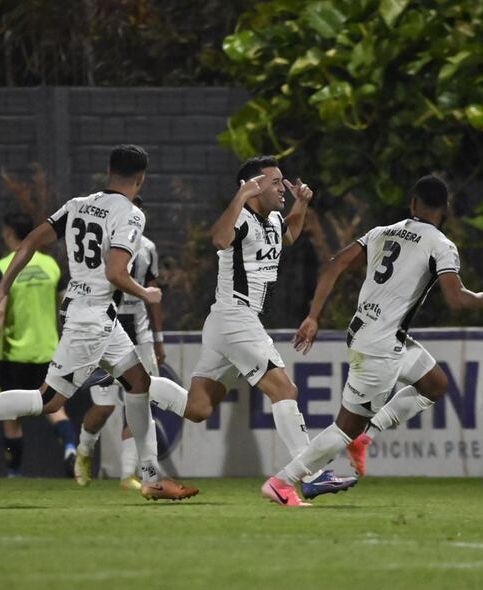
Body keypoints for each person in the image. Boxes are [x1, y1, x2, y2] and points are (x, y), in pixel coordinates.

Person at [0, 144, 198, 501]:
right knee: (48, 401)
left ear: (109, 171)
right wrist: (146, 293)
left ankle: (150, 476)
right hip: (92, 318)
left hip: (87, 311)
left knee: (139, 382)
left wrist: (3, 285)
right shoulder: (130, 213)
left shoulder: (78, 204)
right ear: (141, 179)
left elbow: (33, 240)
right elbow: (115, 271)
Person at [262, 174, 483, 506]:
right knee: (345, 427)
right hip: (379, 347)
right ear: (446, 209)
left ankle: (365, 437)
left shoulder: (382, 232)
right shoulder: (440, 245)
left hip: (377, 334)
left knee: (435, 384)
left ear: (412, 203)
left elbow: (335, 265)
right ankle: (283, 481)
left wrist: (314, 316)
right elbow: (457, 299)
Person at [148, 155, 357, 499]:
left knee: (198, 409)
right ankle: (310, 474)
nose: (283, 188)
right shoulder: (241, 217)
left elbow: (289, 234)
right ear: (254, 186)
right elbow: (218, 239)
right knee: (285, 391)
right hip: (235, 318)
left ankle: (129, 380)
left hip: (225, 324)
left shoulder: (273, 219)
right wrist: (241, 195)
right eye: (275, 182)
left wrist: (302, 205)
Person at [73, 196, 163, 490]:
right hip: (105, 327)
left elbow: (153, 294)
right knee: (104, 406)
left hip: (139, 331)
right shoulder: (99, 243)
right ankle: (84, 451)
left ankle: (128, 474)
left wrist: (158, 340)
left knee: (141, 402)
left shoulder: (147, 248)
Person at [0, 212, 78, 478]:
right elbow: (66, 306)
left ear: (7, 233)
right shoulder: (51, 266)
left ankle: (14, 472)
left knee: (11, 415)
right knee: (55, 407)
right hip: (48, 350)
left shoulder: (3, 266)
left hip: (15, 353)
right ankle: (71, 446)